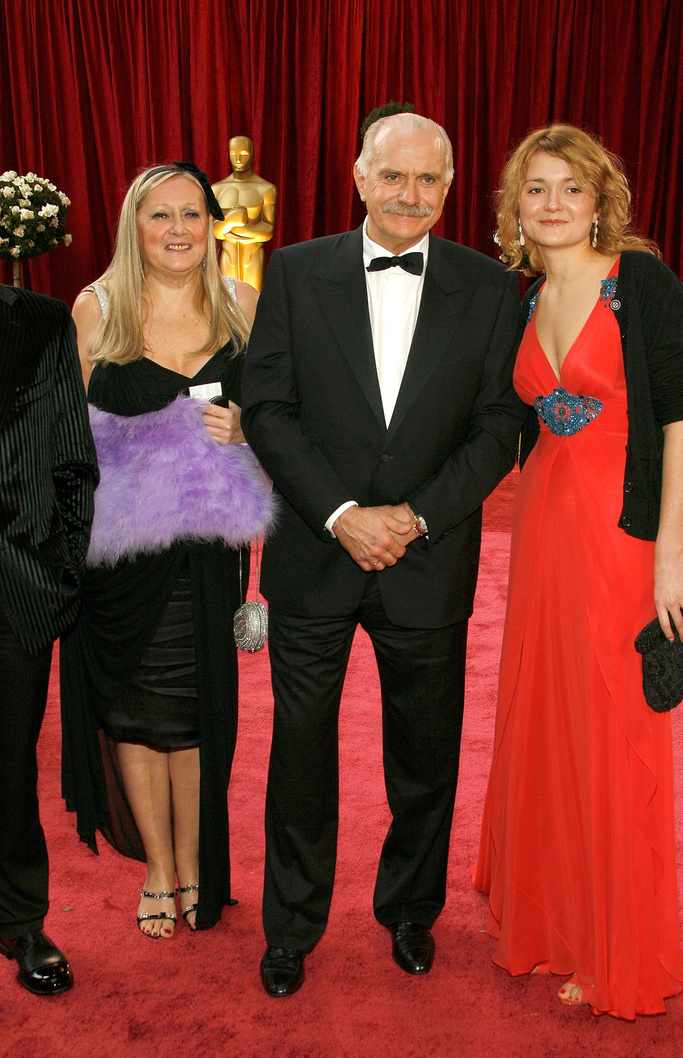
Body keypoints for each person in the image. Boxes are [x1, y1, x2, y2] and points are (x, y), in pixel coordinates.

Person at [241, 112, 525, 996]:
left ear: (450, 187)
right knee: (299, 754)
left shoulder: (492, 288)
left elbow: (500, 424)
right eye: (392, 176)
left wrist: (415, 517)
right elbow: (268, 410)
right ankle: (291, 926)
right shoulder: (294, 271)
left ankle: (410, 911)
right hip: (315, 551)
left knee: (425, 756)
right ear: (360, 178)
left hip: (427, 558)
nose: (410, 194)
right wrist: (340, 515)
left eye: (428, 179)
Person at [471, 124, 683, 1019]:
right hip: (543, 529)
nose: (553, 203)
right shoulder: (521, 296)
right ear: (516, 207)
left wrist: (671, 553)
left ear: (602, 198)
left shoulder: (641, 283)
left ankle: (616, 946)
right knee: (550, 715)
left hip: (620, 532)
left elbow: (678, 421)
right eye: (536, 189)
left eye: (571, 186)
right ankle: (556, 920)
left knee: (611, 723)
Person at [62, 162, 270, 938]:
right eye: (160, 215)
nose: (178, 229)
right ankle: (159, 868)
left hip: (209, 553)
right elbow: (62, 434)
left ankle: (195, 861)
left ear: (212, 225)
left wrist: (247, 427)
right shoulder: (98, 308)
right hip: (121, 556)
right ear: (134, 226)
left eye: (191, 214)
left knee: (195, 712)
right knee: (136, 712)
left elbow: (283, 412)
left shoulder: (242, 303)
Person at [0, 286, 98, 994]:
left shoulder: (38, 320)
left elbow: (71, 453)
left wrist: (60, 567)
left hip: (18, 580)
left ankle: (19, 918)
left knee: (10, 760)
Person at [212, 136, 277, 291]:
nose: (238, 159)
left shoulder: (266, 189)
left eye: (243, 154)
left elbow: (268, 231)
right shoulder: (217, 189)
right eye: (233, 154)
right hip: (228, 252)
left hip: (253, 253)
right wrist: (231, 220)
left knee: (254, 298)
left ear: (252, 154)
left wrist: (240, 229)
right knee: (228, 298)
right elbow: (214, 231)